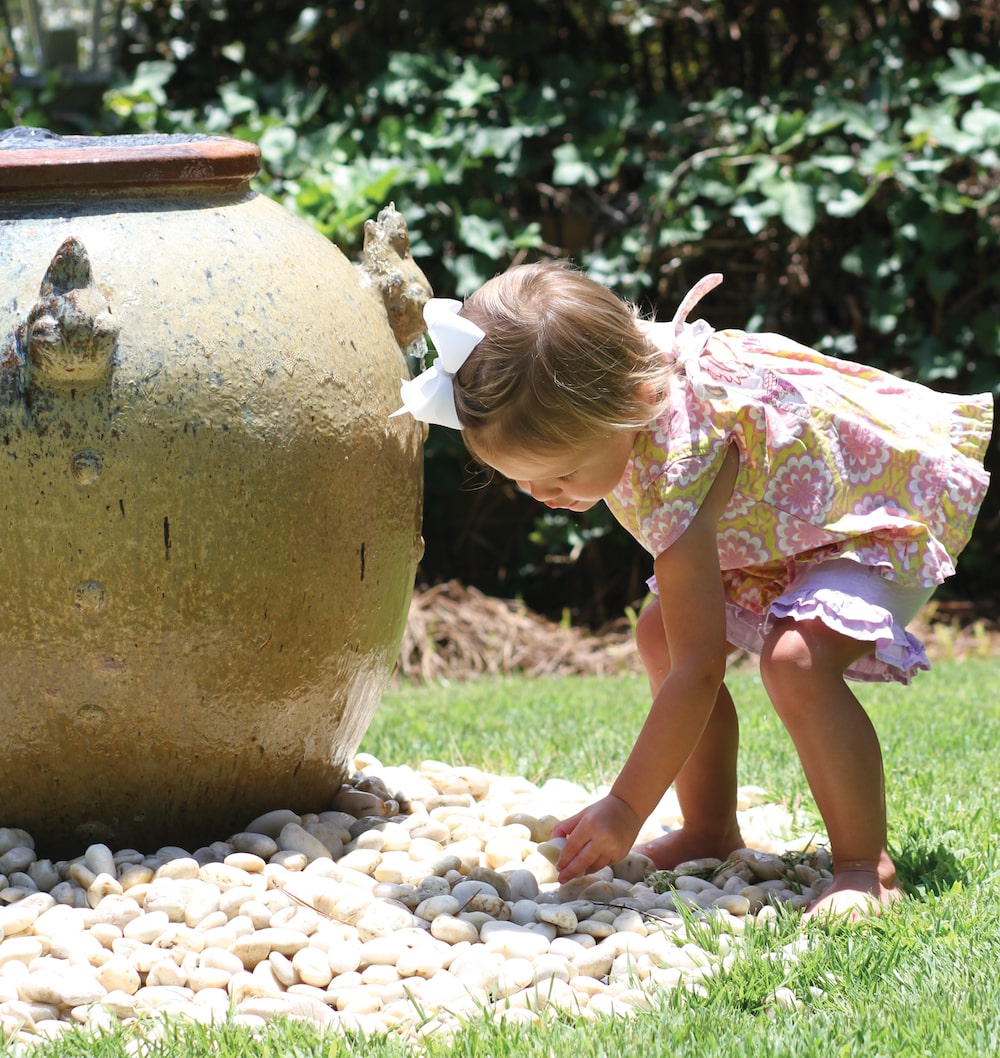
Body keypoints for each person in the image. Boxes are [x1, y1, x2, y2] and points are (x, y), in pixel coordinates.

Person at [392, 262, 994, 920]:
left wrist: (625, 806)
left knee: (797, 663)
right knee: (659, 630)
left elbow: (699, 669)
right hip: (784, 528)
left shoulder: (680, 457)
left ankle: (863, 868)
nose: (544, 496)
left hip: (868, 517)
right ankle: (710, 828)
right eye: (523, 481)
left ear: (632, 406)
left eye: (560, 475)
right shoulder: (615, 386)